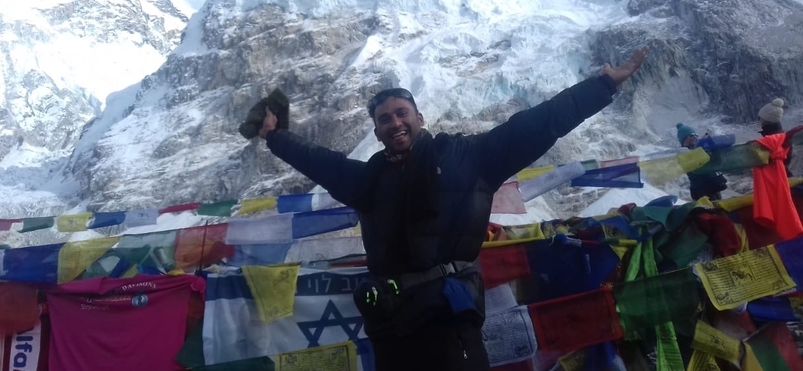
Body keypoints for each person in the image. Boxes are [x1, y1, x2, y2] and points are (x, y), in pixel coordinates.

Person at [253, 46, 649, 371]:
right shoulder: (368, 179)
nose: (395, 123)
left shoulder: (469, 158)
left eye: (401, 113)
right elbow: (320, 161)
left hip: (448, 317)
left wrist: (601, 86)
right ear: (377, 132)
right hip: (390, 324)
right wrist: (275, 136)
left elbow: (538, 124)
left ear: (419, 118)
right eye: (384, 119)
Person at [676, 123, 727, 201]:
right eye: (691, 135)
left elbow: (718, 161)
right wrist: (702, 144)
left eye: (696, 135)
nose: (694, 137)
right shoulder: (683, 152)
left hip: (713, 187)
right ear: (683, 139)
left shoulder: (701, 148)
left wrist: (712, 143)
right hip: (701, 191)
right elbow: (696, 161)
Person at [757, 98, 793, 176]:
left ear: (766, 120)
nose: (759, 120)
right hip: (783, 175)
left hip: (778, 177)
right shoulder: (781, 136)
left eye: (760, 118)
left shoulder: (773, 139)